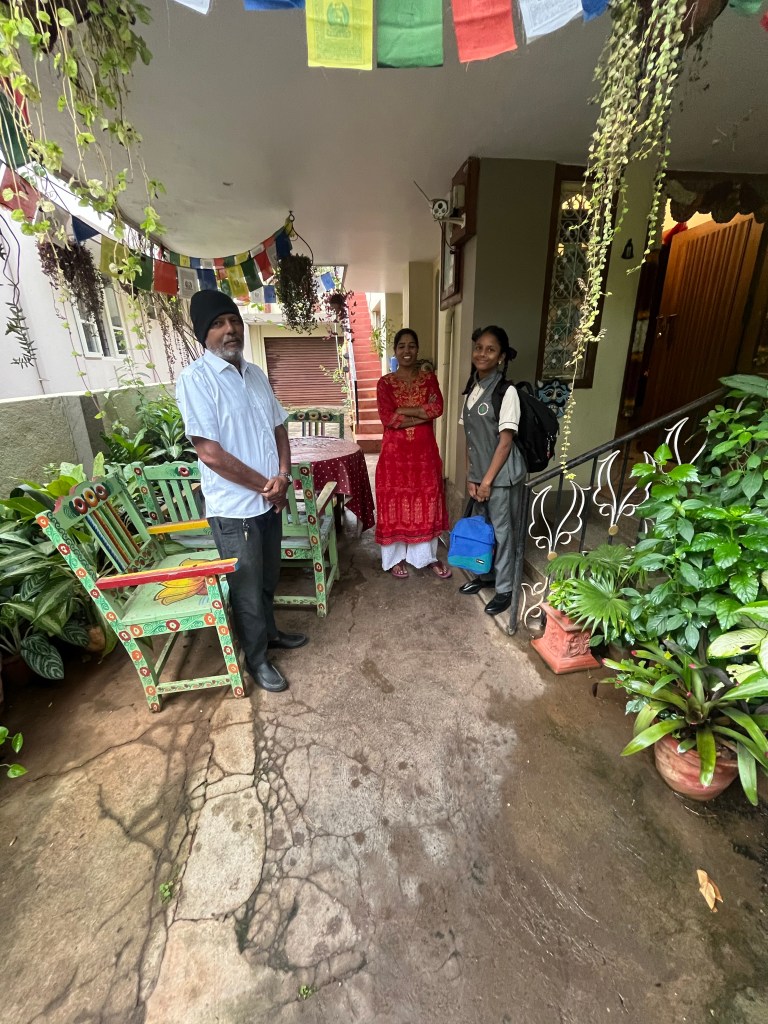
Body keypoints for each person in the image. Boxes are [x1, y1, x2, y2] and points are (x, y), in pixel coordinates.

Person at [175, 290, 307, 694]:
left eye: (233, 320)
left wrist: (282, 475)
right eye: (218, 323)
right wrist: (268, 486)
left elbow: (279, 429)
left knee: (268, 578)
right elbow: (210, 454)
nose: (229, 329)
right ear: (203, 334)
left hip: (269, 501)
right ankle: (257, 659)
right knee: (246, 589)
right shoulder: (196, 380)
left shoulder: (255, 374)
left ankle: (270, 634)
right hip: (235, 511)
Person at [458, 325, 527, 616]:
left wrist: (487, 481)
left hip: (501, 477)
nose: (482, 354)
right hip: (481, 477)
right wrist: (470, 477)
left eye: (490, 349)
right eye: (478, 348)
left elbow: (505, 442)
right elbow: (470, 440)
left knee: (502, 532)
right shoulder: (471, 390)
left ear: (501, 357)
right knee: (483, 528)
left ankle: (505, 589)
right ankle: (485, 575)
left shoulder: (506, 392)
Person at [375, 328, 451, 578]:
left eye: (411, 346)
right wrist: (421, 413)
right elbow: (388, 418)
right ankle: (394, 558)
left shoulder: (429, 379)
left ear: (417, 350)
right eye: (401, 346)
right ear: (395, 351)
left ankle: (425, 557)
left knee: (426, 501)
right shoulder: (385, 383)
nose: (406, 351)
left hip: (424, 455)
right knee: (394, 503)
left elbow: (437, 408)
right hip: (394, 457)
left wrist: (404, 410)